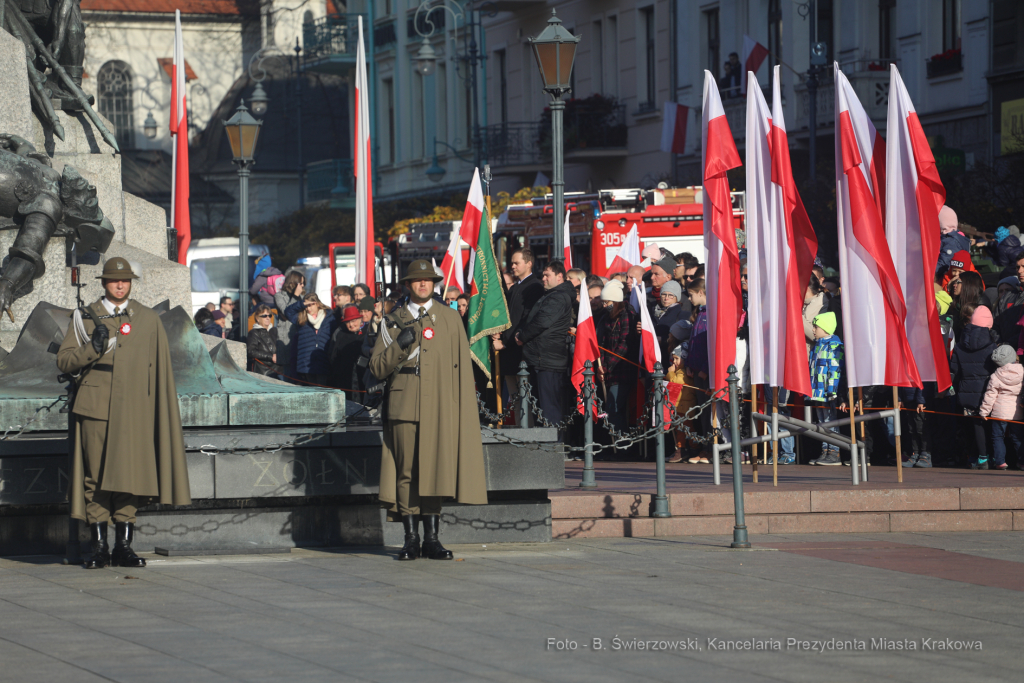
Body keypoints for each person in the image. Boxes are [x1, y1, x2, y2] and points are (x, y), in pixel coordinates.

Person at [56, 257, 191, 569]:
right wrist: (93, 348)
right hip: (96, 408)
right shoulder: (85, 317)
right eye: (114, 280)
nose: (120, 285)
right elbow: (64, 362)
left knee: (130, 474)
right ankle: (99, 546)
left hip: (134, 408)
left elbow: (159, 371)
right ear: (104, 283)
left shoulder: (147, 319)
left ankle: (123, 546)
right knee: (96, 477)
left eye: (126, 280)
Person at [369, 259, 488, 561]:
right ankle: (411, 539)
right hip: (404, 402)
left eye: (429, 280)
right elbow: (377, 369)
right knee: (407, 471)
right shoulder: (392, 321)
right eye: (417, 280)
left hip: (440, 404)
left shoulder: (449, 319)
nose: (423, 285)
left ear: (435, 284)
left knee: (436, 469)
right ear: (407, 285)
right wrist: (400, 346)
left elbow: (460, 368)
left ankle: (432, 539)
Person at [516, 260, 576, 426]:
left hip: (548, 360)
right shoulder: (551, 295)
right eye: (542, 275)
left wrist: (522, 336)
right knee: (540, 407)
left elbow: (542, 321)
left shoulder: (558, 297)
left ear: (559, 277)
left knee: (549, 408)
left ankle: (553, 447)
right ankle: (545, 446)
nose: (543, 278)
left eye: (547, 275)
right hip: (542, 358)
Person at [494, 248, 544, 412]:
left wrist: (506, 341)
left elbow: (527, 319)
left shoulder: (535, 287)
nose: (513, 266)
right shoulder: (515, 288)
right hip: (509, 353)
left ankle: (526, 435)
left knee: (525, 401)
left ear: (529, 263)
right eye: (512, 263)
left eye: (517, 263)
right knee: (514, 400)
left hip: (521, 352)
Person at [950, 306, 999, 469]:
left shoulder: (960, 345)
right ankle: (984, 457)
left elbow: (955, 371)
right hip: (986, 391)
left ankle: (973, 457)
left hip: (966, 391)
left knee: (971, 425)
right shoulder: (992, 346)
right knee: (983, 425)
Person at [596, 279, 638, 434]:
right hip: (610, 369)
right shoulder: (607, 317)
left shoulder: (627, 315)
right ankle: (617, 444)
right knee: (612, 409)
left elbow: (624, 345)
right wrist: (601, 365)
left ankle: (623, 445)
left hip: (622, 370)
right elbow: (602, 341)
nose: (605, 305)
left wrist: (606, 366)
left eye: (607, 302)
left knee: (613, 409)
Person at [806, 312, 845, 466]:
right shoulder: (817, 346)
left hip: (828, 393)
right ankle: (825, 450)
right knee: (821, 421)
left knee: (830, 421)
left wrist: (832, 391)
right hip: (817, 392)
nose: (813, 330)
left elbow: (835, 370)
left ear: (826, 328)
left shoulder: (835, 346)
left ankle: (834, 452)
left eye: (816, 327)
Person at [979, 345, 1023, 471]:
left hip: (1000, 411)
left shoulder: (996, 375)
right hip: (1017, 411)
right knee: (1018, 437)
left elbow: (990, 395)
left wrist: (984, 412)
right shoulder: (1022, 372)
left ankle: (1000, 462)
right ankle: (1022, 461)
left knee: (998, 437)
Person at [684, 279, 711, 463]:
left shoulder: (711, 313)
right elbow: (694, 342)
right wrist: (689, 363)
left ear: (701, 292)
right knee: (702, 413)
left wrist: (705, 368)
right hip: (696, 369)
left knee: (709, 413)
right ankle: (704, 447)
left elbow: (712, 345)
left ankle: (710, 449)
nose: (689, 297)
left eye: (691, 294)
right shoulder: (699, 313)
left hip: (705, 372)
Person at [285, 293, 336, 385]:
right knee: (311, 391)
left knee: (323, 390)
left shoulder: (329, 317)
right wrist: (301, 304)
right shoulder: (302, 317)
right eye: (306, 306)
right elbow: (288, 312)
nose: (308, 309)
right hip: (306, 362)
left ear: (316, 303)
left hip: (323, 361)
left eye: (310, 305)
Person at [329, 305, 365, 397]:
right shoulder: (341, 335)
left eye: (353, 321)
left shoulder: (367, 334)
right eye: (348, 322)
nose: (351, 325)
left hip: (363, 378)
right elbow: (333, 357)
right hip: (344, 379)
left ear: (360, 319)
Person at [275, 271, 305, 373]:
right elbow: (287, 312)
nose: (303, 286)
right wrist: (296, 296)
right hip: (286, 340)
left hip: (299, 338)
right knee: (288, 374)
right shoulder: (279, 296)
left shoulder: (302, 298)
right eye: (301, 283)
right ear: (294, 283)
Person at [247, 304, 285, 376]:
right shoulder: (254, 333)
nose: (268, 318)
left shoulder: (274, 330)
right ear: (258, 318)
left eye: (269, 315)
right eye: (264, 316)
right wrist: (271, 357)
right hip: (264, 371)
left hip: (279, 369)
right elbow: (251, 351)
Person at [937, 205, 971, 274]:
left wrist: (927, 271)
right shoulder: (949, 237)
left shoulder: (951, 241)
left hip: (944, 280)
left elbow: (944, 264)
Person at [802, 276, 827, 353]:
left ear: (806, 288)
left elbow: (819, 336)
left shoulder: (823, 304)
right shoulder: (802, 303)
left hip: (810, 358)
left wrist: (796, 315)